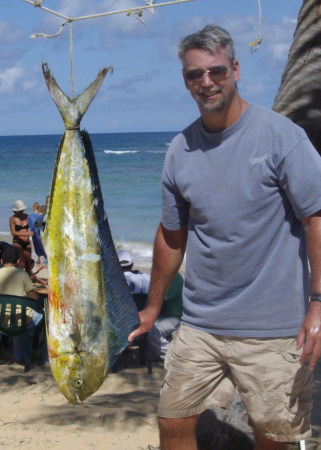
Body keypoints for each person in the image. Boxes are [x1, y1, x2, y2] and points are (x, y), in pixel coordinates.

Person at [128, 24, 321, 450]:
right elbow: (171, 234)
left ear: (235, 70)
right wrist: (153, 306)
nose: (206, 82)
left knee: (273, 438)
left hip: (273, 330)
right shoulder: (181, 149)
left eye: (216, 71)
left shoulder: (281, 136)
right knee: (172, 420)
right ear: (186, 80)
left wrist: (318, 306)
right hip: (201, 325)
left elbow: (316, 218)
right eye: (195, 74)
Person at [0, 246, 43, 362]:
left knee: (12, 315)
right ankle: (21, 355)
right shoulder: (22, 275)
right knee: (40, 315)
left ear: (1, 260)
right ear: (18, 261)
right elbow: (32, 297)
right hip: (20, 321)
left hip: (1, 320)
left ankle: (6, 349)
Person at [9, 200, 34, 275]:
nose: (21, 211)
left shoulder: (27, 216)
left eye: (22, 209)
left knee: (28, 265)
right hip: (17, 242)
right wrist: (27, 233)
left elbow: (34, 226)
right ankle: (18, 279)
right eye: (20, 210)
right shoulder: (12, 218)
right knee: (21, 263)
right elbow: (13, 233)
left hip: (27, 242)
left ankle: (28, 280)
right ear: (16, 210)